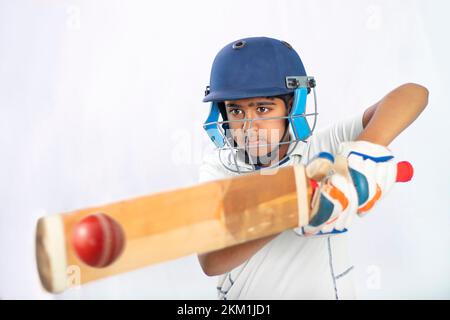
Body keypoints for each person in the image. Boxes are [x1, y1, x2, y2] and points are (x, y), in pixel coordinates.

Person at [197, 37, 428, 299]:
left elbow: (414, 93)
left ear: (294, 106)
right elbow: (210, 261)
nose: (249, 127)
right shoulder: (219, 168)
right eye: (236, 111)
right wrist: (292, 210)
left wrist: (363, 152)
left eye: (263, 108)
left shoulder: (321, 148)